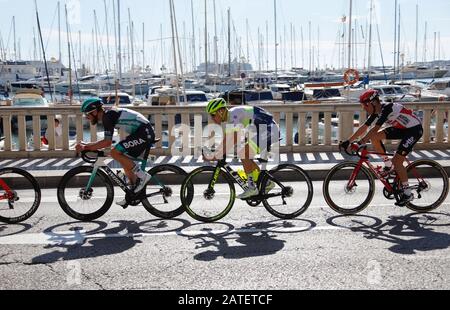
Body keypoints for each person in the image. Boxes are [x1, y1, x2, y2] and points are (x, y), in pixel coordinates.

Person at [340, 89, 424, 206]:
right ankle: (388, 165)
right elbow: (364, 127)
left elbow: (374, 129)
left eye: (365, 105)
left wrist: (360, 143)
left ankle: (407, 193)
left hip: (413, 130)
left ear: (373, 103)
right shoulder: (377, 111)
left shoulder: (387, 108)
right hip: (401, 128)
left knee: (397, 161)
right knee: (375, 138)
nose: (364, 108)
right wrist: (348, 141)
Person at [76, 98, 155, 206]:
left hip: (144, 133)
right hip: (141, 132)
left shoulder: (107, 117)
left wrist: (86, 147)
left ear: (94, 111)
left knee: (114, 152)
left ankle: (143, 176)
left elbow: (107, 142)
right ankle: (132, 193)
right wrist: (87, 145)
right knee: (122, 157)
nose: (87, 117)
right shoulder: (107, 114)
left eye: (87, 114)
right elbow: (105, 141)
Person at [205, 98, 278, 200]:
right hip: (260, 130)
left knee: (243, 153)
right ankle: (267, 183)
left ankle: (252, 188)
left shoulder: (234, 114)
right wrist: (217, 153)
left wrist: (216, 155)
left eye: (213, 115)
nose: (212, 118)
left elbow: (234, 138)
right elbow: (226, 140)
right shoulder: (228, 119)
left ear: (220, 111)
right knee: (244, 154)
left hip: (269, 129)